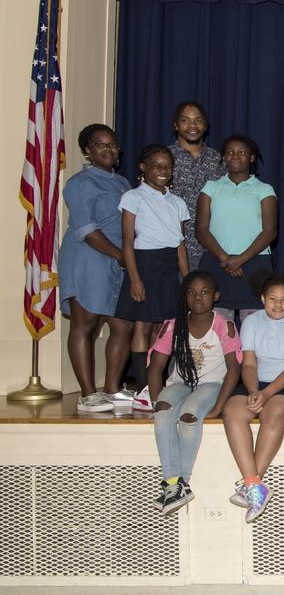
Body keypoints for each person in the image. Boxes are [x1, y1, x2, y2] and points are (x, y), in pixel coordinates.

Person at [146, 271, 241, 515]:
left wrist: (219, 406)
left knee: (189, 414)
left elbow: (234, 369)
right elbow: (155, 368)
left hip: (211, 384)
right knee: (164, 410)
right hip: (181, 382)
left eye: (205, 292)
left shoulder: (223, 325)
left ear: (216, 296)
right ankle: (172, 483)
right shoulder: (173, 325)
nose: (198, 297)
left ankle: (182, 481)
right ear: (184, 297)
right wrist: (156, 402)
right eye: (191, 293)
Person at [221, 270, 284, 523]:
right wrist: (253, 391)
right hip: (256, 380)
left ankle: (252, 485)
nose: (278, 305)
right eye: (273, 299)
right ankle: (253, 484)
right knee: (233, 412)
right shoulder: (251, 322)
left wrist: (267, 393)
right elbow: (248, 364)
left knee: (274, 414)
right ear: (262, 298)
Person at [61, 124, 135, 413]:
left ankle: (113, 389)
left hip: (118, 260)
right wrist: (120, 255)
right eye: (100, 144)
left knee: (123, 325)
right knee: (86, 323)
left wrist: (127, 257)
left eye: (112, 144)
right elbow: (87, 228)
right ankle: (88, 394)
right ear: (88, 151)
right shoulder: (80, 183)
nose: (108, 149)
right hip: (88, 256)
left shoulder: (123, 183)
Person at [117, 145, 191, 410]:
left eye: (167, 166)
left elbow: (179, 243)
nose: (163, 171)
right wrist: (135, 278)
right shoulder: (133, 197)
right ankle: (143, 386)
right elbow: (127, 241)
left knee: (163, 328)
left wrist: (188, 280)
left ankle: (157, 381)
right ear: (143, 168)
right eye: (156, 165)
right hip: (144, 263)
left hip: (169, 264)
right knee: (143, 325)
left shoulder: (177, 202)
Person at [195, 135, 277, 321]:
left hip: (254, 263)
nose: (235, 156)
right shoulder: (211, 187)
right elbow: (201, 228)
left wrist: (239, 260)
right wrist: (226, 259)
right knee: (219, 327)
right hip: (217, 262)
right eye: (229, 152)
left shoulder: (264, 189)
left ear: (252, 157)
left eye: (241, 152)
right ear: (224, 157)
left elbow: (270, 231)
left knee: (254, 326)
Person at [166, 101, 224, 269]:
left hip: (213, 250)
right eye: (185, 120)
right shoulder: (162, 158)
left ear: (205, 126)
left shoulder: (218, 159)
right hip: (174, 250)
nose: (192, 125)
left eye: (198, 120)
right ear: (176, 125)